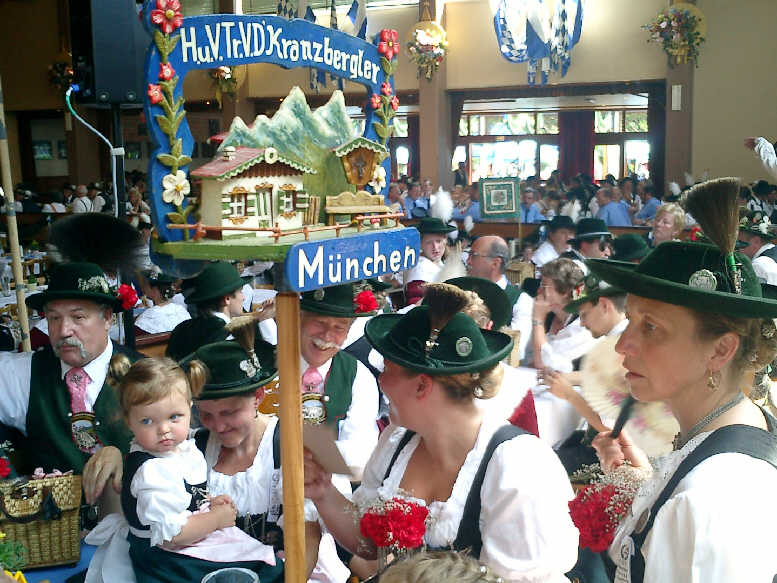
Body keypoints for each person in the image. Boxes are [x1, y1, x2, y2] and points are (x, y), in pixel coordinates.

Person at [304, 287, 579, 582]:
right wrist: (323, 491)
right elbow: (370, 544)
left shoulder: (518, 466)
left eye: (388, 369)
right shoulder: (398, 441)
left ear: (422, 386)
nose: (380, 379)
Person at [591, 177, 777, 582]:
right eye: (630, 320)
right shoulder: (734, 424)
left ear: (720, 350)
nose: (623, 345)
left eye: (651, 327)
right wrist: (642, 484)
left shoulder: (710, 500)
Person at [116, 357, 279, 583]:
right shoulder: (151, 470)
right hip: (169, 560)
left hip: (190, 544)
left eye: (174, 417)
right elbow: (171, 535)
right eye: (147, 421)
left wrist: (206, 502)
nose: (164, 429)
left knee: (268, 566)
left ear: (188, 408)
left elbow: (183, 498)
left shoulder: (182, 450)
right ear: (129, 421)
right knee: (263, 571)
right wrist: (216, 518)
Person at [0, 262, 138, 499]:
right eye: (54, 318)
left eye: (78, 317)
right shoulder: (24, 373)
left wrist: (128, 457)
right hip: (54, 519)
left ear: (107, 317)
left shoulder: (145, 375)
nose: (63, 331)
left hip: (131, 516)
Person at [298, 283, 380, 476]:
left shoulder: (359, 376)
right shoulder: (271, 366)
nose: (327, 336)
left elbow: (360, 453)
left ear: (348, 333)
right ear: (299, 319)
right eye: (319, 322)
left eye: (339, 327)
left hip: (327, 486)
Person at [167, 261, 247, 360]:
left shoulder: (181, 329)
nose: (244, 298)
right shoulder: (232, 335)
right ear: (227, 299)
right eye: (240, 292)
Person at [529, 258, 596, 374]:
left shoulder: (582, 324)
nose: (539, 291)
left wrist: (538, 320)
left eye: (544, 286)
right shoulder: (550, 316)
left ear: (565, 291)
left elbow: (543, 363)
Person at [404, 218, 455, 305]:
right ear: (420, 244)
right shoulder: (420, 268)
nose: (435, 247)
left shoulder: (441, 264)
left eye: (438, 241)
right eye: (429, 242)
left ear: (445, 241)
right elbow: (416, 303)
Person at [135, 270, 191, 335]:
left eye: (146, 285)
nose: (143, 289)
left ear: (154, 289)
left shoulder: (145, 319)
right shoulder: (181, 310)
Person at [737, 212, 777, 284]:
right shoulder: (772, 255)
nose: (737, 248)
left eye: (740, 242)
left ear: (756, 241)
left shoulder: (759, 266)